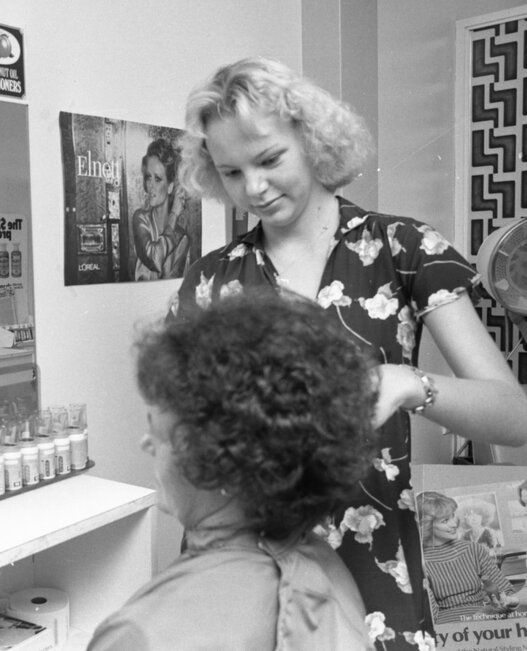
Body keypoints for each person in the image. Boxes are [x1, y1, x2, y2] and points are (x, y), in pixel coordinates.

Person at [168, 56, 527, 646]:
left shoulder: (403, 248)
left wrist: (411, 384)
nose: (252, 189)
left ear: (311, 140)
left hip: (376, 553)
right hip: (251, 559)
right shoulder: (210, 282)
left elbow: (511, 416)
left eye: (269, 160)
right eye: (231, 173)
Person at [89, 292, 376, 650]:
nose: (146, 444)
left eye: (158, 433)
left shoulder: (144, 633)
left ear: (219, 461)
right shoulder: (325, 570)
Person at [417, 491, 520, 625]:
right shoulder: (419, 562)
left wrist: (509, 601)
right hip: (450, 630)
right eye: (445, 520)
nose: (454, 524)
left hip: (487, 621)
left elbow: (505, 591)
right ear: (426, 526)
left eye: (453, 516)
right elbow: (430, 617)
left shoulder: (473, 549)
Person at [131, 138, 190, 280]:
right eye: (148, 177)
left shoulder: (182, 238)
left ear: (170, 187)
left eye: (157, 179)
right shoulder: (140, 219)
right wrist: (174, 215)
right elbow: (154, 259)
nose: (150, 185)